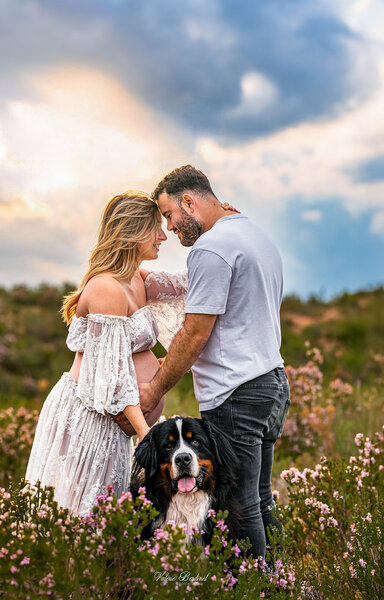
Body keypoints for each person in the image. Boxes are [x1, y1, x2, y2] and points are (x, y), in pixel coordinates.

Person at [139, 165, 290, 559]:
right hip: (272, 383)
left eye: (170, 215)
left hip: (236, 392)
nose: (170, 227)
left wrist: (154, 389)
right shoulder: (254, 234)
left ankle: (257, 584)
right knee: (260, 498)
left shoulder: (210, 248)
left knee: (242, 504)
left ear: (189, 202)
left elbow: (195, 332)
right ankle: (279, 579)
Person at [25, 191, 171, 516]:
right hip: (90, 418)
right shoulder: (106, 287)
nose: (163, 237)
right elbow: (111, 373)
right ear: (133, 231)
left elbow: (194, 285)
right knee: (80, 514)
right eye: (155, 228)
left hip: (115, 424)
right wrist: (146, 434)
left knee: (104, 518)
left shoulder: (137, 278)